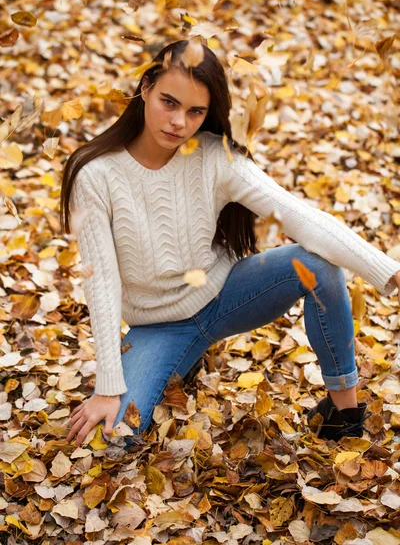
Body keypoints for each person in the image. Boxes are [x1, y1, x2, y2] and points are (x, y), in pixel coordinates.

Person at [60, 39, 400, 448]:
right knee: (114, 439)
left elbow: (299, 217)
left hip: (225, 296)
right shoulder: (95, 175)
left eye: (195, 112)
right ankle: (179, 361)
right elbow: (101, 283)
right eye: (169, 102)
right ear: (146, 87)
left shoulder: (213, 156)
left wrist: (390, 273)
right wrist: (108, 385)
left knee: (318, 267)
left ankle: (342, 413)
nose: (179, 122)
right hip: (156, 327)